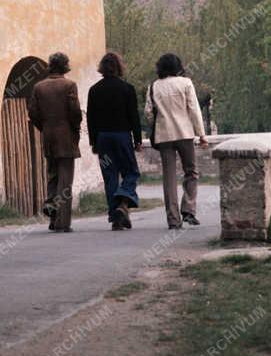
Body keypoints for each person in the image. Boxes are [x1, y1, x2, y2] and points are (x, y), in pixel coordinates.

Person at [144, 53, 208, 229]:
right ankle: (188, 209)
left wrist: (156, 124)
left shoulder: (153, 86)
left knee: (169, 178)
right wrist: (201, 134)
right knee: (191, 171)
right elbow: (194, 109)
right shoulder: (186, 83)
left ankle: (173, 219)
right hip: (184, 133)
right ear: (178, 67)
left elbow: (148, 113)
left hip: (164, 136)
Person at [86, 52, 142, 231]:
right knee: (131, 172)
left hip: (103, 139)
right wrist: (138, 139)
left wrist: (93, 141)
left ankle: (116, 216)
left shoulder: (94, 90)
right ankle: (123, 202)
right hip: (122, 137)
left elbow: (91, 119)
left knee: (110, 176)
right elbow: (134, 116)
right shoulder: (127, 89)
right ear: (119, 67)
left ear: (102, 68)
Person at [27, 52, 81, 233]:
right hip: (66, 137)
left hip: (48, 136)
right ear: (65, 66)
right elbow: (75, 113)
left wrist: (44, 127)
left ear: (50, 65)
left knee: (52, 176)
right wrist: (74, 127)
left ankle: (51, 210)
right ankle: (63, 222)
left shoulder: (38, 87)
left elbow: (33, 113)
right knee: (65, 181)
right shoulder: (69, 85)